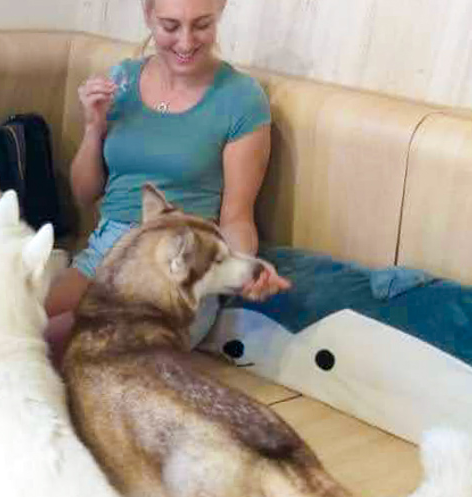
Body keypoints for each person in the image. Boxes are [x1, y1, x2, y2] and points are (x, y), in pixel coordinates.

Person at [46, 0, 290, 350]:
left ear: (219, 14)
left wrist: (243, 269)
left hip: (182, 263)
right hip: (107, 251)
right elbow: (85, 194)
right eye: (171, 26)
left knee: (65, 345)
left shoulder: (242, 99)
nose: (187, 42)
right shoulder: (122, 80)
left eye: (202, 25)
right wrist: (93, 127)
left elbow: (236, 217)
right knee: (15, 335)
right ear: (148, 16)